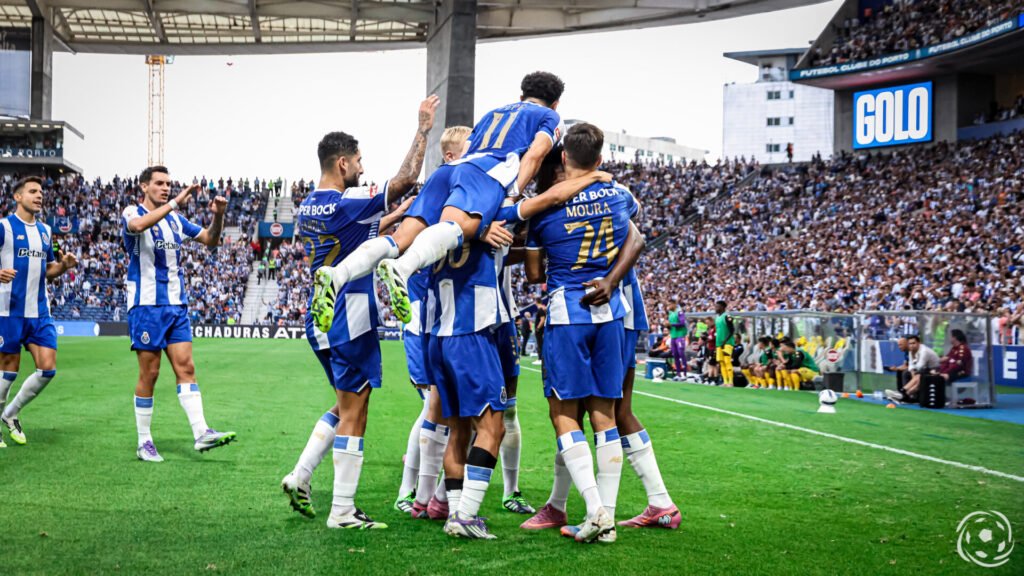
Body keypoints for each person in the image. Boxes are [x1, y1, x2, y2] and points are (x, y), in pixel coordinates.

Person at [278, 95, 437, 528]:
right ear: (343, 163)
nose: (364, 168)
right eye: (360, 162)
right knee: (356, 409)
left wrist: (393, 218)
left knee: (345, 402)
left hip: (319, 316)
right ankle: (343, 510)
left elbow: (352, 233)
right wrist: (422, 129)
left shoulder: (309, 204)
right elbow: (404, 178)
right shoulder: (349, 201)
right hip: (351, 311)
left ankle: (301, 475)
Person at [524, 122, 635, 543]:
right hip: (609, 313)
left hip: (568, 313)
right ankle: (604, 523)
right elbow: (635, 237)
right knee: (605, 414)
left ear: (564, 158)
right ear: (601, 160)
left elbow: (535, 274)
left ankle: (594, 510)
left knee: (563, 413)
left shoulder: (544, 209)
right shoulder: (620, 195)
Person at [122, 167, 236, 463]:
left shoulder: (175, 219)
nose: (165, 188)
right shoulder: (131, 211)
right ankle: (143, 441)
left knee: (186, 367)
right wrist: (175, 202)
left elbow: (210, 240)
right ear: (144, 185)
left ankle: (201, 433)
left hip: (176, 304)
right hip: (146, 305)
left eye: (168, 184)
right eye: (159, 183)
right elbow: (137, 227)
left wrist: (218, 215)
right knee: (151, 373)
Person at [0, 177, 79, 448]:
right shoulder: (4, 227)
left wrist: (64, 266)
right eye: (32, 191)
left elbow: (48, 271)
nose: (39, 195)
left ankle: (10, 414)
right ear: (18, 197)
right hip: (8, 311)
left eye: (41, 192)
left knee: (47, 368)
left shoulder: (45, 231)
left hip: (39, 311)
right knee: (8, 371)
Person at [886, 335, 939, 403]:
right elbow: (911, 365)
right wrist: (912, 373)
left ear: (918, 342)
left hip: (935, 369)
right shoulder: (911, 351)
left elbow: (920, 366)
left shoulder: (924, 351)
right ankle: (904, 396)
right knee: (913, 375)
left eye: (913, 343)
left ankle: (902, 393)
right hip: (925, 369)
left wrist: (914, 374)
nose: (912, 345)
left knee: (918, 377)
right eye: (910, 343)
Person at [714, 301, 736, 387]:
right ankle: (725, 381)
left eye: (717, 307)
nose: (716, 308)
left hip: (727, 343)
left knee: (727, 361)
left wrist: (725, 341)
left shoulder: (727, 316)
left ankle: (731, 381)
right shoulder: (717, 318)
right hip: (719, 343)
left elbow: (732, 330)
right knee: (721, 362)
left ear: (722, 307)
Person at [668, 303, 687, 380]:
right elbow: (671, 326)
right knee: (675, 355)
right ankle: (678, 374)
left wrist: (671, 324)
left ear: (674, 305)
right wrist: (667, 326)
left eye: (669, 305)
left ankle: (684, 373)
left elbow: (682, 323)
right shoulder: (670, 314)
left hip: (680, 335)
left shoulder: (679, 312)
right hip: (673, 336)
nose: (668, 307)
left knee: (681, 353)